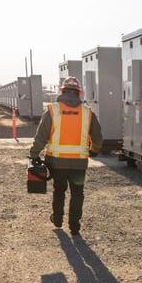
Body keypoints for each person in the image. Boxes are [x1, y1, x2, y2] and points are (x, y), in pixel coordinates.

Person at [29, 76, 103, 236]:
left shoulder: (52, 110)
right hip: (79, 164)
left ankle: (57, 219)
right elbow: (97, 137)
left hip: (56, 162)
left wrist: (33, 154)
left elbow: (41, 136)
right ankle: (74, 226)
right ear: (79, 92)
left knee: (59, 190)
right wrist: (94, 150)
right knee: (77, 193)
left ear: (62, 91)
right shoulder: (87, 112)